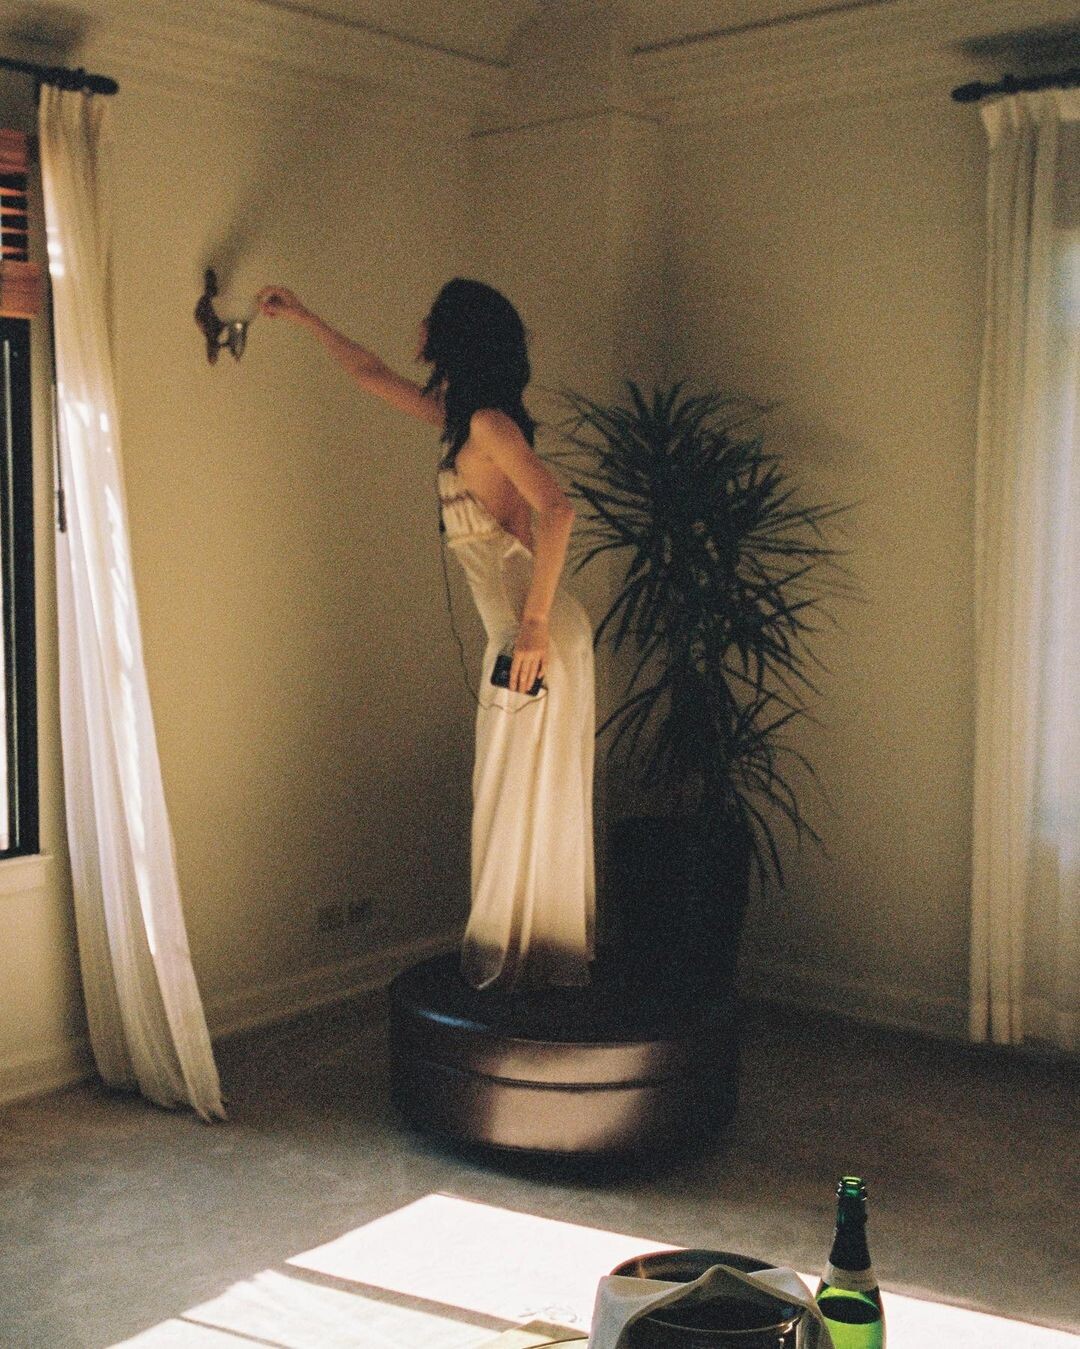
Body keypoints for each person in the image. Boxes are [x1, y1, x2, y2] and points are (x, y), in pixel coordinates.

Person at [256, 278, 595, 989]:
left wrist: (534, 627)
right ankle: (526, 960)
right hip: (520, 633)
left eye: (430, 318)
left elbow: (558, 510)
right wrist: (306, 316)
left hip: (532, 638)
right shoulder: (463, 420)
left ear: (455, 335)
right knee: (510, 793)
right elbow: (371, 374)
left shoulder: (489, 425)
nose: (419, 327)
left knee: (517, 794)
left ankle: (530, 963)